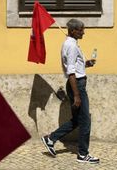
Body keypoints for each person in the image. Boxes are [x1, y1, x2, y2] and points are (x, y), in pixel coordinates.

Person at [41, 19, 99, 164]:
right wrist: (77, 96)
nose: (83, 32)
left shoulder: (71, 44)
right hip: (77, 85)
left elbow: (74, 66)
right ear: (73, 31)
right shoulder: (71, 46)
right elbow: (71, 72)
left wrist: (86, 64)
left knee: (77, 120)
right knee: (85, 121)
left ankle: (51, 138)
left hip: (76, 84)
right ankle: (83, 154)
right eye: (81, 30)